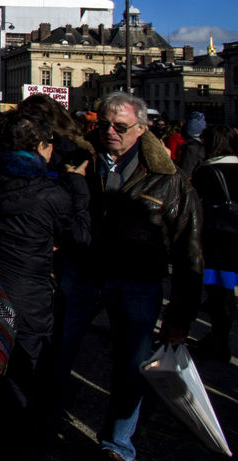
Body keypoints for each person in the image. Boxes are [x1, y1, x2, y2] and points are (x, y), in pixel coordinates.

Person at [53, 92, 202, 461]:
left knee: (131, 369)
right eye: (102, 124)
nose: (110, 132)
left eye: (120, 127)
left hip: (138, 283)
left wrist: (179, 317)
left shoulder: (171, 180)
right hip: (83, 275)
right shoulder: (78, 163)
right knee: (57, 356)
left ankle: (117, 445)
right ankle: (43, 428)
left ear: (142, 128)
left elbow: (190, 252)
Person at [0, 110, 90, 460]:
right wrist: (78, 184)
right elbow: (80, 237)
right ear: (43, 147)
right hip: (29, 302)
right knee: (22, 387)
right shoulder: (53, 193)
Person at [189, 125, 238, 360]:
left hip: (217, 238)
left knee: (220, 291)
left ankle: (219, 340)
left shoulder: (206, 171)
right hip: (234, 234)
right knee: (227, 289)